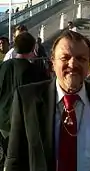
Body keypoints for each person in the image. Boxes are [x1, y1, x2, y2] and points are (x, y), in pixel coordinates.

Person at [5, 30, 90, 171]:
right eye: (65, 58)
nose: (73, 64)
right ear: (52, 62)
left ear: (89, 64)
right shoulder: (27, 98)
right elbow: (15, 159)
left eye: (81, 59)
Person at [0, 33, 50, 171]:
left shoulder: (3, 67)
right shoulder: (36, 72)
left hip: (3, 123)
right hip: (26, 126)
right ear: (33, 48)